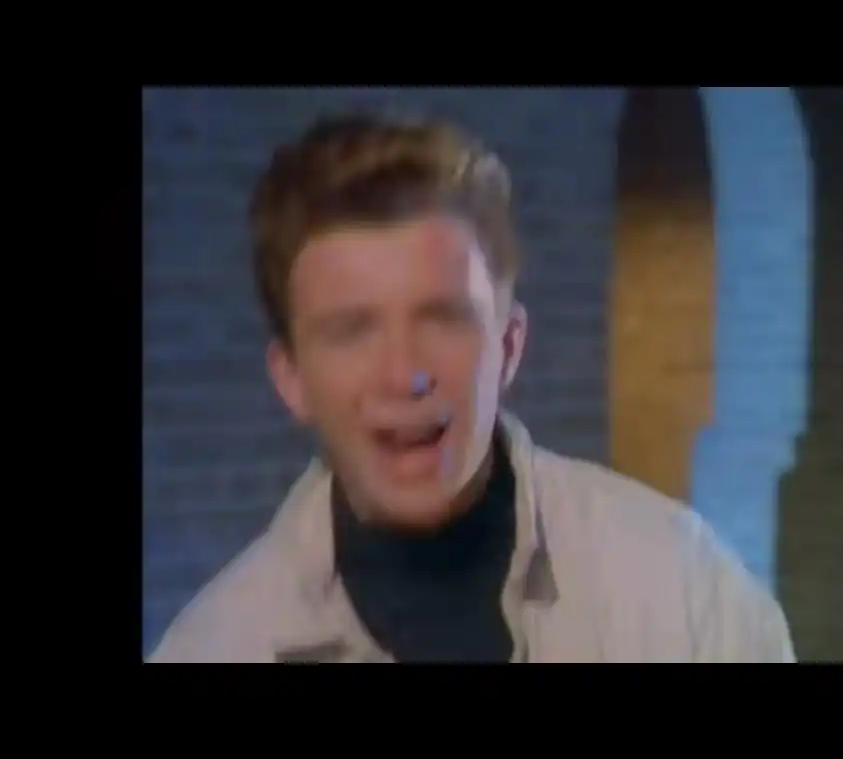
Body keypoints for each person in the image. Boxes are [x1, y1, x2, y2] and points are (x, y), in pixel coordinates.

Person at [146, 112, 796, 663]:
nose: (405, 374)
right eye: (352, 332)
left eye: (443, 319)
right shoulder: (215, 645)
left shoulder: (685, 592)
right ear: (291, 379)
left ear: (508, 346)